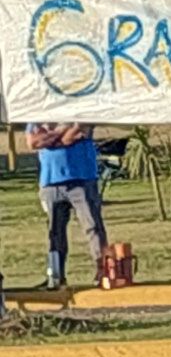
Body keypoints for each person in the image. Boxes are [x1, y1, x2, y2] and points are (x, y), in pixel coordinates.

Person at [26, 123, 107, 288]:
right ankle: (56, 276)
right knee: (55, 232)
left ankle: (104, 271)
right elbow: (33, 142)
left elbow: (78, 131)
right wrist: (62, 131)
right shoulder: (37, 116)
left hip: (82, 178)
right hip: (50, 180)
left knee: (92, 226)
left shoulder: (76, 111)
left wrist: (50, 137)